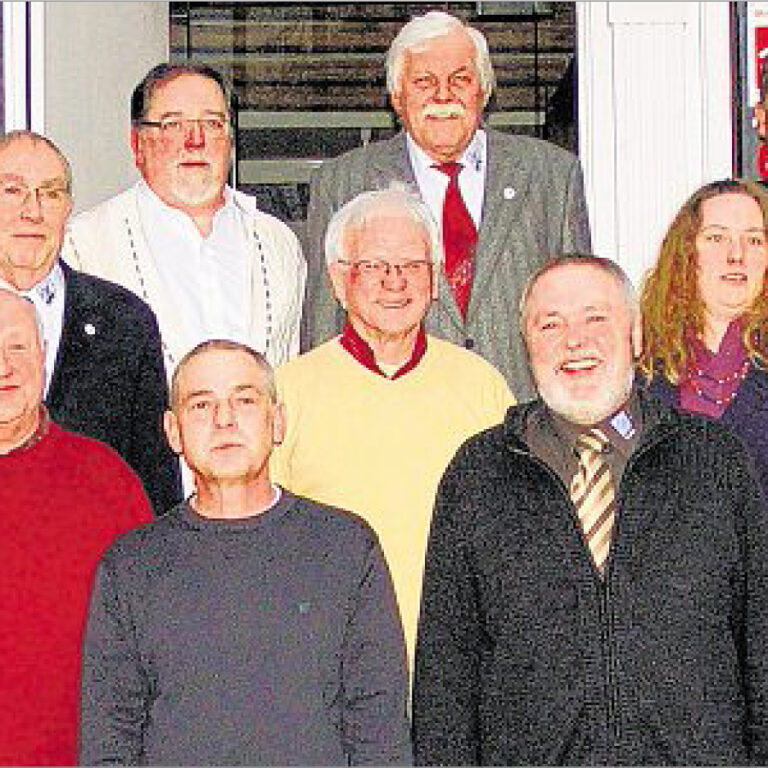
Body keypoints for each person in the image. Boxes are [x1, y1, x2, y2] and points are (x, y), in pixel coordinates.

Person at [413, 255, 768, 764]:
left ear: (636, 335)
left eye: (595, 318)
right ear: (527, 345)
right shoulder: (478, 474)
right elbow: (445, 675)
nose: (573, 340)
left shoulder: (715, 462)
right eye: (549, 324)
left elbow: (759, 638)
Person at [80, 340, 411, 766]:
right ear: (173, 430)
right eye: (201, 405)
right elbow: (110, 738)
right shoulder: (131, 567)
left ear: (277, 422)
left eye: (245, 400)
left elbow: (379, 731)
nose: (224, 420)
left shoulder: (346, 548)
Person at [272, 185, 513, 665]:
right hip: (330, 655)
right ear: (340, 281)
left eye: (412, 266)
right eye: (376, 266)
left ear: (436, 279)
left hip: (456, 654)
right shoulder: (285, 393)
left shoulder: (481, 386)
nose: (395, 282)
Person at [302, 10, 591, 399]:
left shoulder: (552, 176)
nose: (443, 96)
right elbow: (324, 331)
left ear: (483, 92)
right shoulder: (342, 183)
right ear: (397, 96)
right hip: (393, 415)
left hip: (521, 419)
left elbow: (578, 313)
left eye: (461, 80)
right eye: (424, 82)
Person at [63, 62, 306, 376]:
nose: (195, 140)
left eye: (212, 123)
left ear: (230, 141)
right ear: (137, 144)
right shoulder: (83, 246)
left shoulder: (278, 244)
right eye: (173, 124)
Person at [0, 288, 152, 765]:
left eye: (18, 347)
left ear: (44, 357)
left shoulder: (106, 480)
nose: (4, 366)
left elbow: (151, 640)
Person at [0, 129, 180, 513]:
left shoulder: (124, 321)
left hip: (94, 562)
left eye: (50, 193)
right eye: (13, 191)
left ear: (68, 209)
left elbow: (154, 481)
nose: (32, 211)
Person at [640, 179, 768, 496]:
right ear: (687, 252)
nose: (736, 255)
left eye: (753, 240)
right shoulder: (640, 362)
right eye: (716, 238)